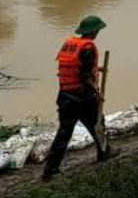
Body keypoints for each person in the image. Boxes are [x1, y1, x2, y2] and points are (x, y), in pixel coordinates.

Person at [42, 15, 111, 181]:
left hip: (65, 95)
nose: (97, 33)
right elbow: (84, 76)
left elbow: (75, 68)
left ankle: (50, 169)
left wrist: (97, 68)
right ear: (94, 31)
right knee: (97, 124)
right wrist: (97, 92)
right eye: (97, 31)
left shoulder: (70, 45)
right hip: (83, 96)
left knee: (64, 132)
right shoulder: (88, 48)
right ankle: (104, 153)